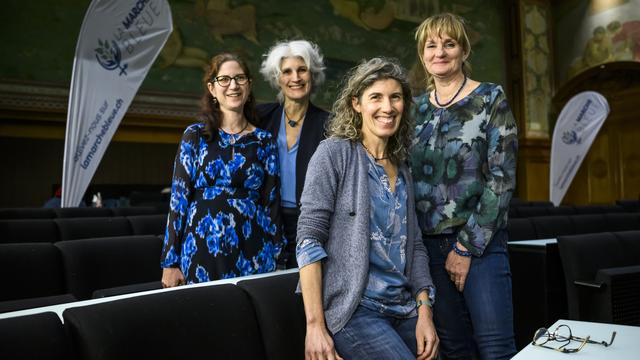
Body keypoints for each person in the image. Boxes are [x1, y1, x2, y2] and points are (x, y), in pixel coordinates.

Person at [297, 57, 439, 360]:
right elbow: (309, 240)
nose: (387, 107)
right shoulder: (333, 154)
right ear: (356, 104)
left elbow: (413, 247)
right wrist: (315, 326)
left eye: (395, 97)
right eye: (375, 97)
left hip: (404, 308)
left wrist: (424, 311)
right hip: (355, 310)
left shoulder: (403, 168)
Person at [411, 13, 518, 359]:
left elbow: (502, 179)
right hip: (428, 248)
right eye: (431, 45)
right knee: (455, 350)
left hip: (480, 244)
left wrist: (465, 248)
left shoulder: (490, 98)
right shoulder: (413, 109)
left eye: (449, 43)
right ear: (422, 54)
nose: (439, 52)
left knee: (495, 349)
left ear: (463, 50)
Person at [161, 53, 283, 287]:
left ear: (249, 85)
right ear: (212, 88)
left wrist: (280, 257)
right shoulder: (195, 135)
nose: (233, 85)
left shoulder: (265, 140)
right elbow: (178, 201)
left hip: (254, 251)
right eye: (224, 79)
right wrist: (169, 262)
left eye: (240, 78)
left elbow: (271, 203)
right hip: (202, 250)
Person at [258, 40, 330, 268]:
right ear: (278, 79)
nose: (295, 78)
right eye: (287, 72)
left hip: (311, 224)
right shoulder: (261, 118)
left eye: (302, 70)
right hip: (267, 222)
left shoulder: (329, 123)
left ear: (313, 74)